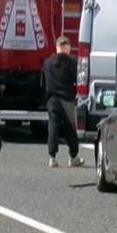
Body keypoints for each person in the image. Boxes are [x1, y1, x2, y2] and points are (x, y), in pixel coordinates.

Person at [42, 36, 82, 168]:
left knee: (53, 127)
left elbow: (42, 83)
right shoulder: (72, 62)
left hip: (52, 99)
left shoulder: (47, 63)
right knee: (70, 128)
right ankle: (73, 157)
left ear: (57, 47)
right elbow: (77, 79)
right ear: (68, 47)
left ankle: (52, 157)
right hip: (67, 99)